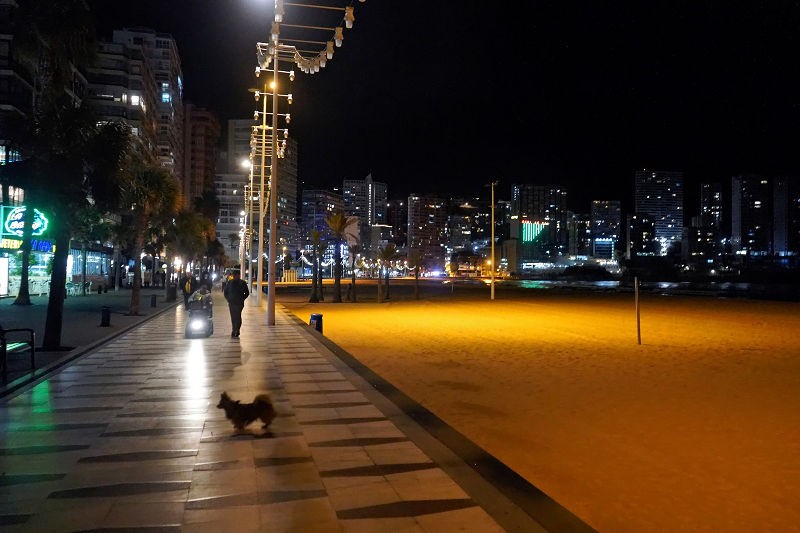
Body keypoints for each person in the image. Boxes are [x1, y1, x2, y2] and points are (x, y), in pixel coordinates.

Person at [223, 271, 249, 338]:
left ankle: (237, 330)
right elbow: (225, 292)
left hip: (239, 303)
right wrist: (228, 299)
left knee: (237, 316)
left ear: (239, 275)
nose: (235, 276)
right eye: (234, 275)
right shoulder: (230, 282)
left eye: (236, 275)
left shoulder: (242, 283)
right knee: (233, 317)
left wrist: (242, 299)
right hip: (231, 303)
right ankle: (234, 329)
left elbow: (247, 293)